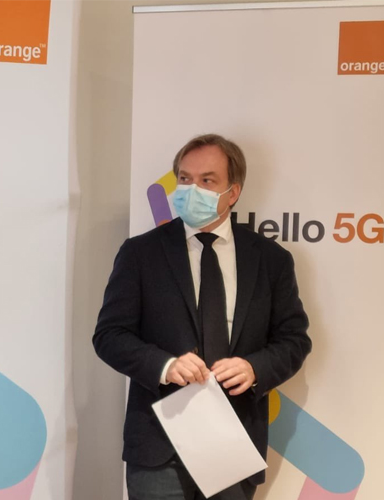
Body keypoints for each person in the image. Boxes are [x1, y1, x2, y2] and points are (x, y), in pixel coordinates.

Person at [93, 134, 311, 499]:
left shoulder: (271, 260)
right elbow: (110, 335)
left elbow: (294, 340)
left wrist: (254, 368)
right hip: (159, 443)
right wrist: (165, 365)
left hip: (233, 443)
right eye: (185, 179)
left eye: (207, 180)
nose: (192, 189)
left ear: (233, 192)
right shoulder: (140, 253)